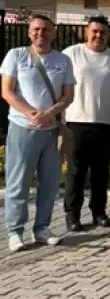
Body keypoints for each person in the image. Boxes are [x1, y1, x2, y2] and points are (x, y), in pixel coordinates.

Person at [1, 15, 75, 251]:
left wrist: (49, 113)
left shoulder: (62, 60)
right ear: (29, 32)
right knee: (18, 182)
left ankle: (42, 228)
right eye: (36, 29)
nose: (40, 33)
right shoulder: (16, 55)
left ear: (53, 34)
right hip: (23, 127)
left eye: (45, 29)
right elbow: (7, 91)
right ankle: (15, 231)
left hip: (52, 130)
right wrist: (32, 113)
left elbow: (68, 95)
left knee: (50, 183)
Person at [62, 16, 110, 232]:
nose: (99, 35)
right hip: (76, 122)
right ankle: (72, 215)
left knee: (100, 173)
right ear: (86, 32)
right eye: (95, 31)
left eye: (103, 32)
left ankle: (99, 212)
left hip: (105, 125)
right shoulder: (71, 54)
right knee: (76, 172)